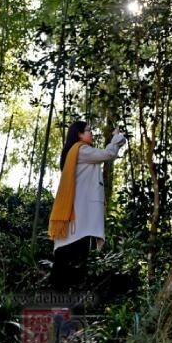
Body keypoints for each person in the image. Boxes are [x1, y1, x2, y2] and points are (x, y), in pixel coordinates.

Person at [48, 121, 126, 289]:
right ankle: (59, 303)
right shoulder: (81, 150)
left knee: (69, 256)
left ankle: (62, 304)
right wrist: (117, 139)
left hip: (76, 213)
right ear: (79, 134)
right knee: (71, 256)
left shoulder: (75, 152)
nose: (92, 133)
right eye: (88, 130)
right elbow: (108, 154)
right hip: (78, 215)